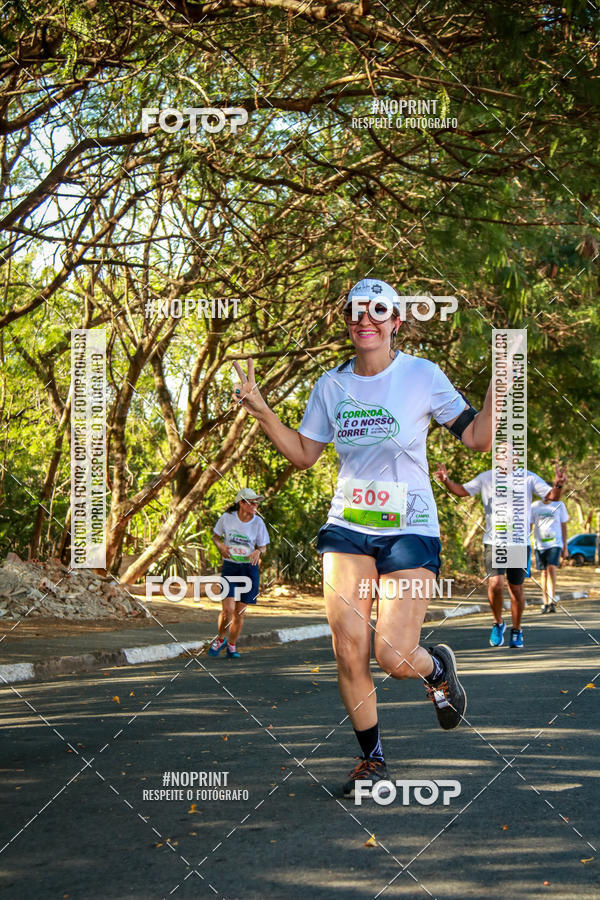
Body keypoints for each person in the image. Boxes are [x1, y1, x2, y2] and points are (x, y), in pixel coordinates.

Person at [231, 277, 493, 797]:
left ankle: (436, 666)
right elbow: (306, 454)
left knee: (394, 656)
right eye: (356, 311)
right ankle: (371, 758)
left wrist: (498, 389)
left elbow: (477, 438)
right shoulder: (331, 385)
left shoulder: (422, 374)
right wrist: (261, 409)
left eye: (378, 312)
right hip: (348, 528)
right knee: (349, 651)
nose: (365, 320)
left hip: (410, 526)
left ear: (396, 321)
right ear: (348, 320)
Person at [435, 462, 567, 648]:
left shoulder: (528, 478)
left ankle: (517, 629)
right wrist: (446, 480)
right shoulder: (487, 477)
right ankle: (498, 623)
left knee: (515, 588)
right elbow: (462, 491)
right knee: (496, 584)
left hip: (518, 543)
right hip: (494, 541)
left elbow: (552, 496)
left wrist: (558, 484)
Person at [209, 488, 270, 659]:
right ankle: (220, 639)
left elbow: (263, 545)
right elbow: (215, 536)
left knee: (239, 612)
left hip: (248, 570)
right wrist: (220, 546)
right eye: (251, 502)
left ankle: (232, 645)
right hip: (231, 567)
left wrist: (258, 552)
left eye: (256, 502)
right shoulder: (227, 519)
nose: (255, 505)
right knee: (227, 610)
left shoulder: (258, 523)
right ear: (241, 503)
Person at [530, 497, 569, 613]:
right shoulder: (535, 506)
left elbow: (564, 526)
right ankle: (545, 602)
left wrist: (565, 546)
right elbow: (529, 525)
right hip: (540, 545)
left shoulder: (559, 505)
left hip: (555, 544)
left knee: (551, 568)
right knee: (544, 572)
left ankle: (552, 601)